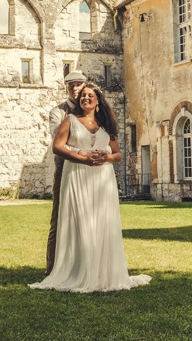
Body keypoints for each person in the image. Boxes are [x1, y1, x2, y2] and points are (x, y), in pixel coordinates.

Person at [30, 82, 151, 293]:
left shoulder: (106, 124)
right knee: (80, 221)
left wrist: (107, 156)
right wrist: (81, 157)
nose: (85, 98)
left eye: (90, 96)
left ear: (98, 100)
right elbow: (57, 147)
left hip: (103, 178)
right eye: (83, 96)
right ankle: (79, 270)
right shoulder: (70, 120)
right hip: (77, 174)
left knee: (103, 221)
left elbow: (118, 154)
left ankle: (103, 272)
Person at [45, 70, 86, 276]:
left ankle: (82, 267)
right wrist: (82, 152)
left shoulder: (91, 111)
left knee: (86, 219)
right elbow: (58, 142)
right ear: (66, 88)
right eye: (71, 85)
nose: (75, 88)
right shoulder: (58, 113)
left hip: (88, 172)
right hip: (65, 170)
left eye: (79, 84)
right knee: (59, 219)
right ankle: (52, 268)